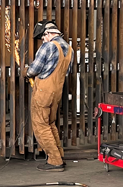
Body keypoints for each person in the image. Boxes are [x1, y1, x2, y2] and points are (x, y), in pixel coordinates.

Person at [26, 20, 73, 172]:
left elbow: (33, 70)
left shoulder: (48, 46)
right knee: (50, 124)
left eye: (43, 37)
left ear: (48, 33)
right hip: (56, 92)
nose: (42, 40)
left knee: (40, 126)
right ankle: (58, 156)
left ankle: (54, 161)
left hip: (44, 92)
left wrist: (26, 71)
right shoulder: (68, 48)